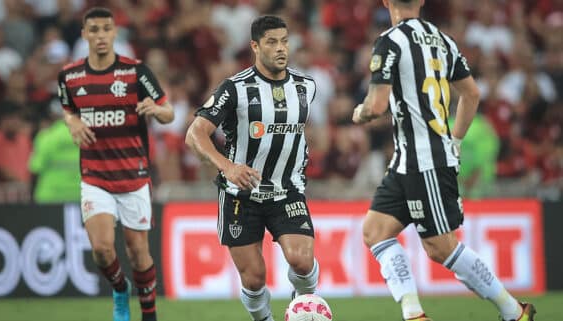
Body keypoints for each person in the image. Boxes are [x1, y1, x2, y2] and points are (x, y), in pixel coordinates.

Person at [352, 1, 536, 321]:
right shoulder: (443, 40)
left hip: (425, 160)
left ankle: (514, 312)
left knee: (441, 248)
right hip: (408, 160)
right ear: (421, 1)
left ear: (385, 2)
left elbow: (378, 104)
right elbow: (472, 94)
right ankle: (414, 314)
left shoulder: (389, 41)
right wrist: (456, 142)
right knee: (375, 231)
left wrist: (362, 110)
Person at [186, 15, 320, 321]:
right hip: (240, 195)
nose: (280, 48)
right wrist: (228, 166)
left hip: (287, 191)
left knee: (301, 260)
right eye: (272, 42)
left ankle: (303, 305)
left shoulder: (306, 86)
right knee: (254, 277)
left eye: (284, 41)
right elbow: (195, 134)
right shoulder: (234, 88)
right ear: (255, 47)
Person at [57, 7, 174, 321]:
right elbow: (68, 109)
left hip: (133, 176)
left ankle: (148, 313)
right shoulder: (69, 76)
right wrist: (71, 124)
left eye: (106, 29)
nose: (100, 36)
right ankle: (120, 289)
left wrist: (155, 109)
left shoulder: (136, 72)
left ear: (115, 34)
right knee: (103, 250)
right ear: (84, 35)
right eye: (93, 30)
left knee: (138, 254)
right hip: (95, 177)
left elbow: (169, 113)